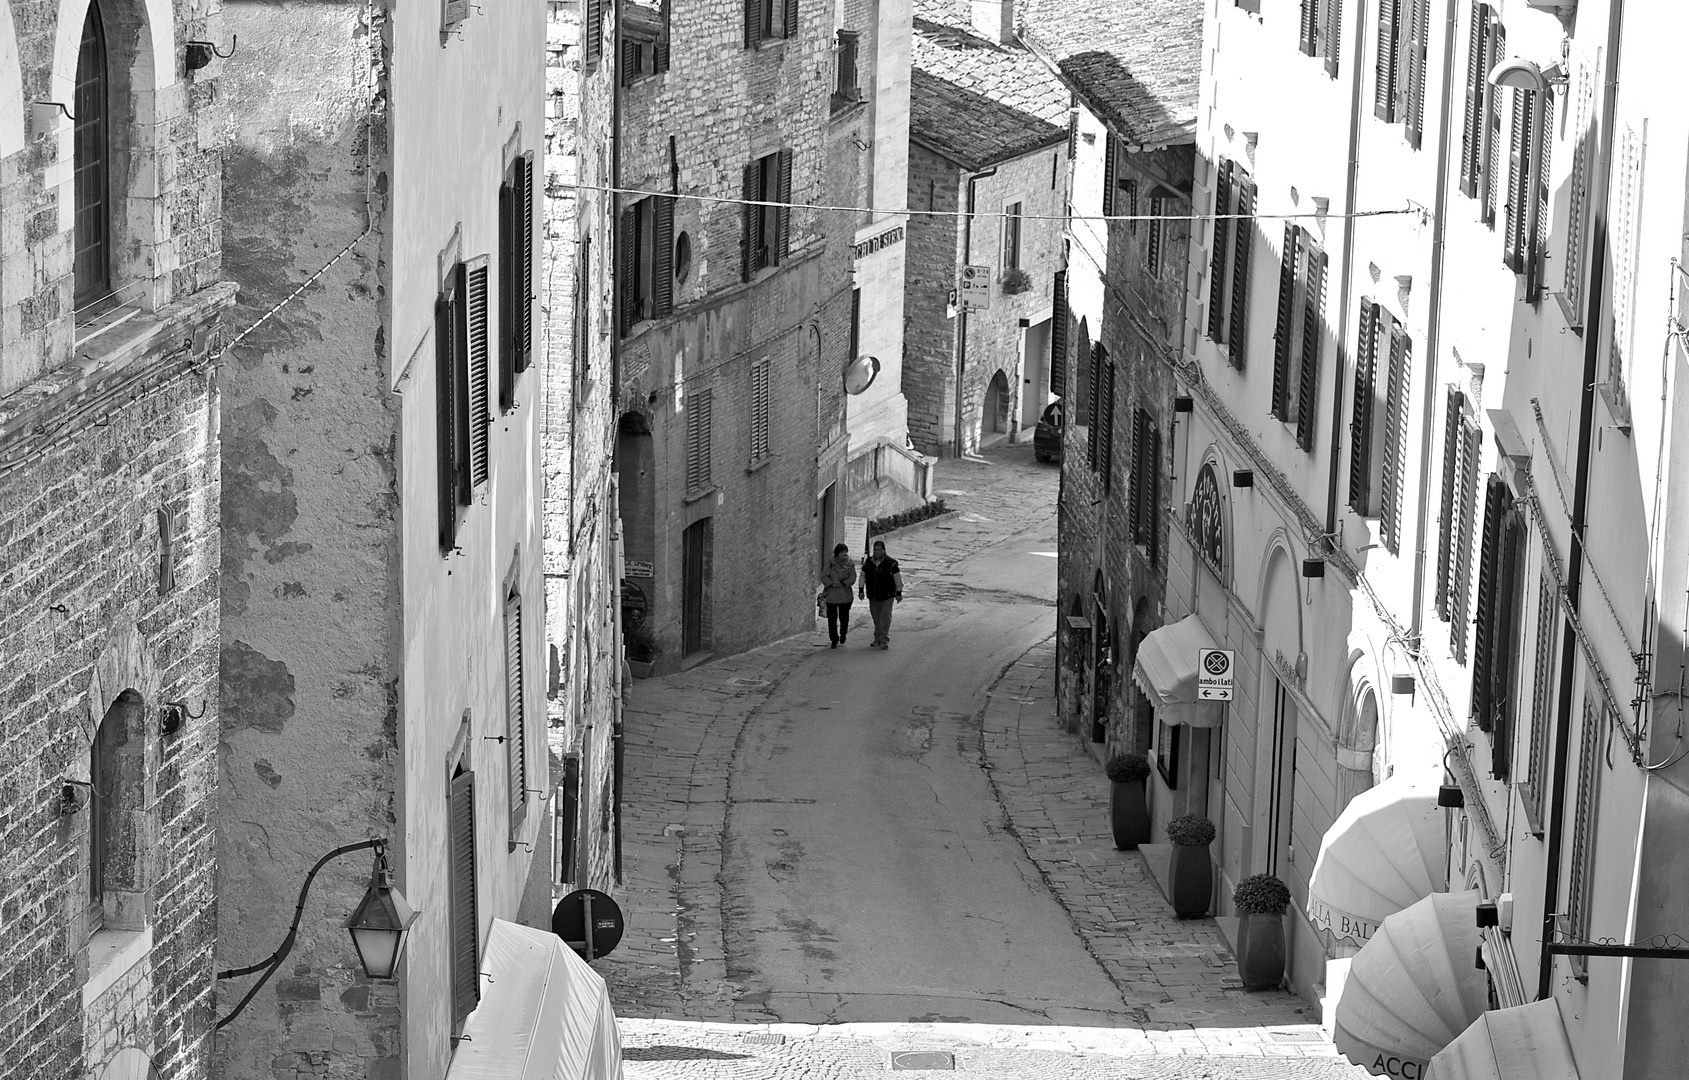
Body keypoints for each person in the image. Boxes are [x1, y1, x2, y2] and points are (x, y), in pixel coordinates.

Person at [858, 539, 903, 649]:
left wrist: (899, 593)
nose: (877, 552)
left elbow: (897, 579)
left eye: (879, 550)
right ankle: (877, 639)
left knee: (884, 617)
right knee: (876, 618)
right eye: (875, 550)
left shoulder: (891, 564)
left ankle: (884, 640)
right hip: (873, 595)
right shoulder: (868, 563)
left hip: (887, 595)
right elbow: (863, 576)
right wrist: (860, 590)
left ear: (884, 550)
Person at [819, 543, 857, 648]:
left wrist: (844, 583)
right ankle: (834, 638)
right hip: (832, 594)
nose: (845, 554)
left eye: (846, 551)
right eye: (842, 552)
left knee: (844, 618)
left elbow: (853, 577)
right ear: (837, 553)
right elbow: (824, 576)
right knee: (832, 619)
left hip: (845, 594)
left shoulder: (850, 564)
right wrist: (831, 583)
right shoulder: (831, 563)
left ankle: (843, 633)